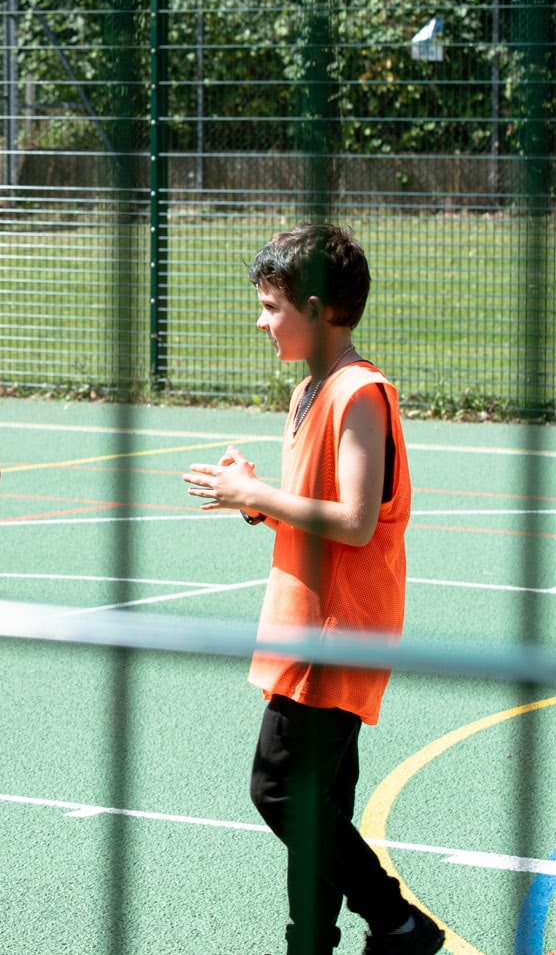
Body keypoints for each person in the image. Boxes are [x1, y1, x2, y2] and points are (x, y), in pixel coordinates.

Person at [182, 224, 442, 955]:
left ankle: (398, 920)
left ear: (321, 307)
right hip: (305, 625)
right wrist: (256, 497)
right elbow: (314, 511)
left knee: (279, 789)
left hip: (336, 630)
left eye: (271, 306)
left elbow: (356, 522)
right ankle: (314, 936)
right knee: (321, 800)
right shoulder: (308, 389)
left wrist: (254, 491)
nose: (259, 320)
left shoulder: (359, 393)